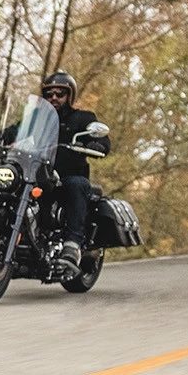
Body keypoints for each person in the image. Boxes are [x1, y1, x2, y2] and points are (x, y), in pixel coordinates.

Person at [35, 71, 110, 274]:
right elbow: (15, 131)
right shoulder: (38, 120)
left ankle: (72, 245)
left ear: (69, 96)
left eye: (60, 94)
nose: (54, 98)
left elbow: (103, 141)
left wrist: (98, 144)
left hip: (68, 177)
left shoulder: (83, 118)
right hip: (41, 176)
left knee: (77, 185)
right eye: (49, 94)